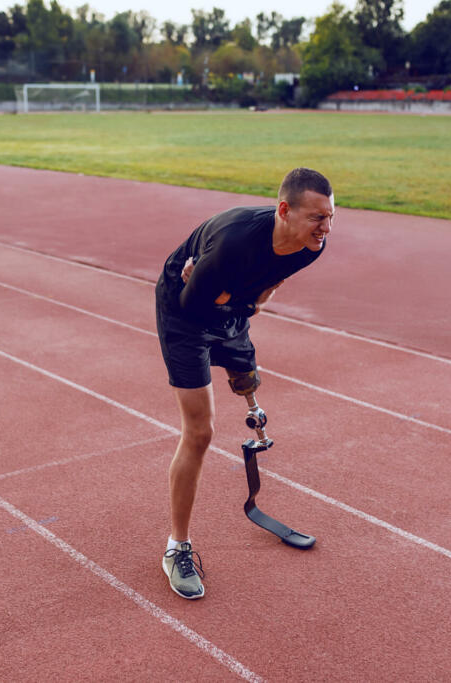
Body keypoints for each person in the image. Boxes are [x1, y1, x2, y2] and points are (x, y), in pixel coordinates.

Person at [154, 168, 334, 599]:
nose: (326, 228)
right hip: (184, 313)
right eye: (316, 218)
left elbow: (261, 294)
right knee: (199, 432)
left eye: (331, 217)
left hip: (229, 302)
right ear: (284, 210)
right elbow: (195, 307)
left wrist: (236, 305)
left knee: (248, 378)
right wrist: (222, 295)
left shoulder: (312, 246)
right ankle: (176, 547)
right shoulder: (234, 242)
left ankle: (243, 378)